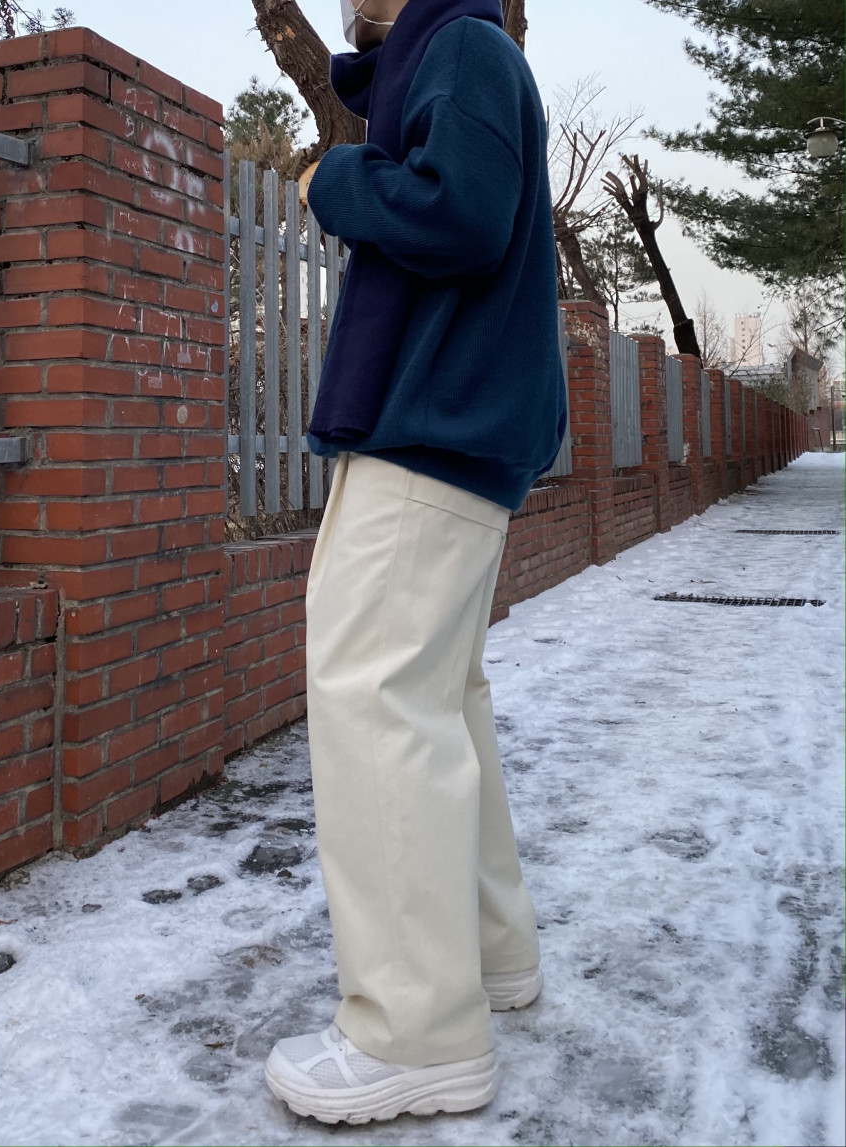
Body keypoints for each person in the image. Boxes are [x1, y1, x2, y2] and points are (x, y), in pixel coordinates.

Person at [264, 0, 567, 1125]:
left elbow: (464, 215)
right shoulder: (449, 52)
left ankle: (414, 1033)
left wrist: (336, 180)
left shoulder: (464, 45)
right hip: (453, 422)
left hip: (434, 421)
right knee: (438, 700)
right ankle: (489, 959)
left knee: (376, 699)